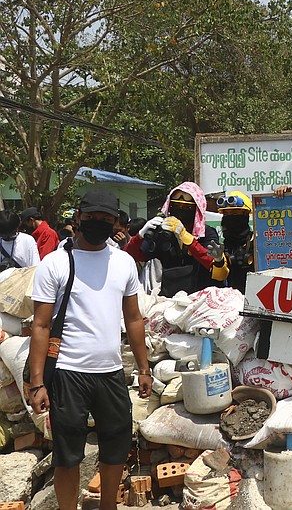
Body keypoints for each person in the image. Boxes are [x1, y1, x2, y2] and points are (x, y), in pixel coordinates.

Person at [28, 188, 152, 510]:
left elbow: (134, 317)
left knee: (116, 446)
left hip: (110, 373)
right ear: (79, 218)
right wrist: (37, 382)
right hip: (68, 374)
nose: (98, 223)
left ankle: (108, 505)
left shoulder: (124, 263)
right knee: (68, 456)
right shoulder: (55, 264)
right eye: (92, 217)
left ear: (115, 223)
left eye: (106, 218)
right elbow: (40, 326)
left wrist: (143, 367)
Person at [124, 182, 228, 296]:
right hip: (170, 300)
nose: (181, 211)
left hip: (200, 299)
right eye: (176, 206)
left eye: (187, 208)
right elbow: (130, 257)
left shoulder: (207, 233)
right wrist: (140, 236)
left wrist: (187, 237)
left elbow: (216, 270)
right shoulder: (162, 233)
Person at [218, 191, 255, 293]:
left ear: (246, 215)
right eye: (226, 214)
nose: (230, 218)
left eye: (234, 213)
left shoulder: (256, 243)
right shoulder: (223, 246)